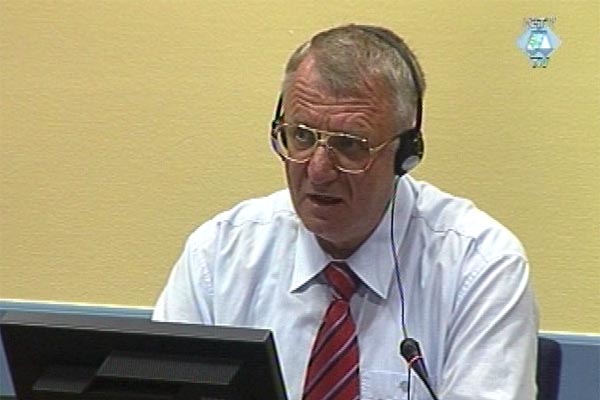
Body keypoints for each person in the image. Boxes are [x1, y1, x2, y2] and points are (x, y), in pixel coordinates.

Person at [153, 24, 538, 400]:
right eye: (301, 136)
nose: (318, 170)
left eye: (350, 145)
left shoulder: (480, 267)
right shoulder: (218, 255)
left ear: (405, 155)